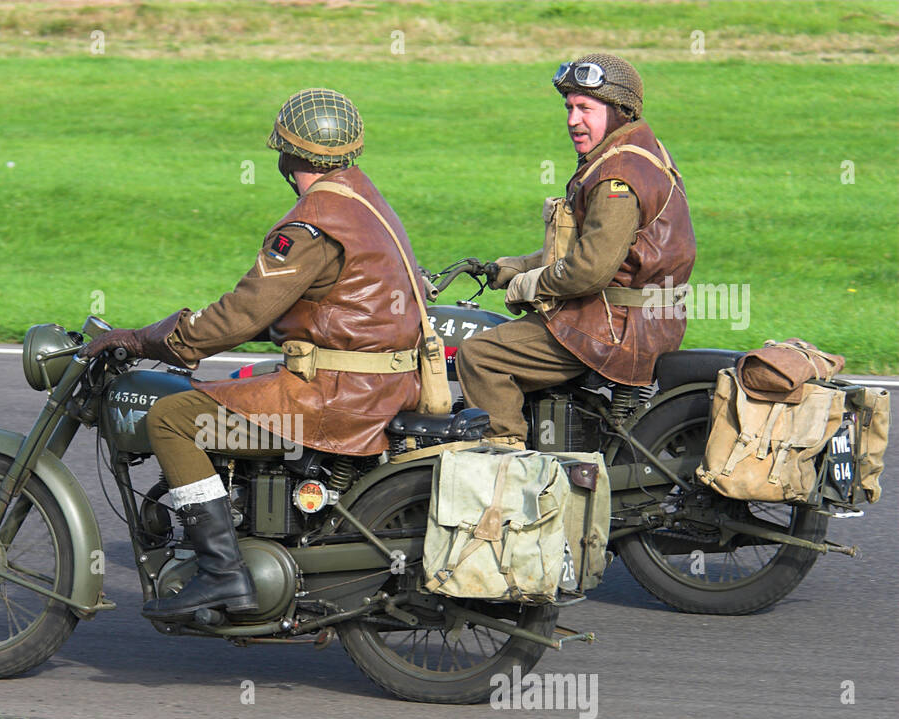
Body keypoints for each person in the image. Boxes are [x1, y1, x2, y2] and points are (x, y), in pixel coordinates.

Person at [84, 87, 425, 620]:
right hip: (382, 385)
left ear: (287, 155)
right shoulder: (366, 202)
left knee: (174, 418)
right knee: (239, 391)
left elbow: (241, 314)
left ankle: (222, 574)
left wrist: (151, 339)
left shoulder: (310, 225)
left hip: (336, 397)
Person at [457, 53, 697, 448]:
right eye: (569, 107)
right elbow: (593, 248)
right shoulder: (639, 150)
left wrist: (530, 284)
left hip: (614, 327)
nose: (572, 120)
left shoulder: (617, 174)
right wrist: (513, 268)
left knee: (481, 356)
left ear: (620, 110)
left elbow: (591, 269)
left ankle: (506, 467)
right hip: (637, 319)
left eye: (585, 108)